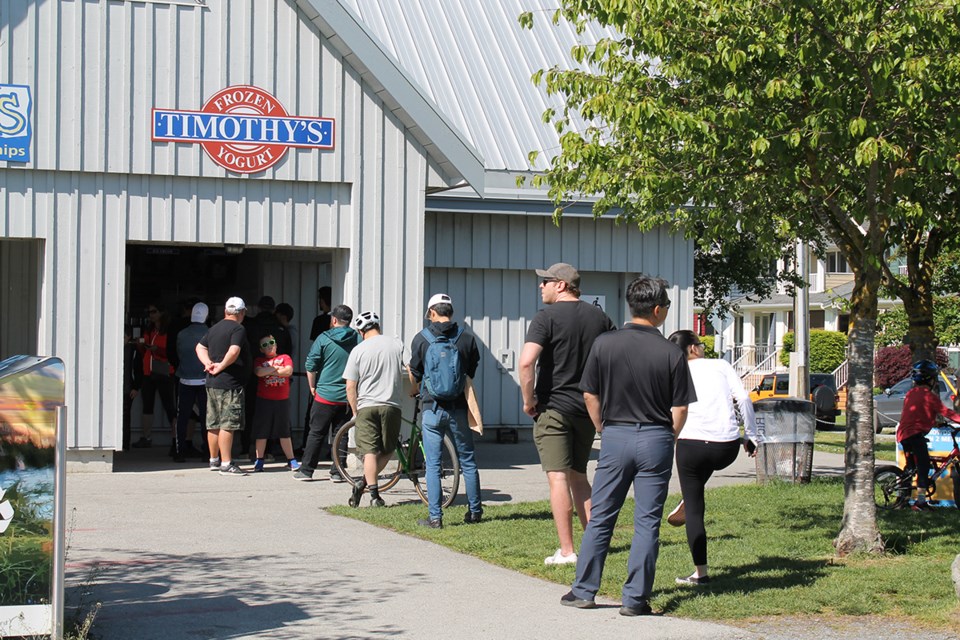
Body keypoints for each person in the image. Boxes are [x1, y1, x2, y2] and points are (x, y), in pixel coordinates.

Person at [561, 275, 695, 617]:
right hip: (656, 437)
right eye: (665, 306)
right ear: (656, 309)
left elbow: (590, 393)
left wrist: (602, 426)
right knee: (647, 521)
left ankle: (583, 590)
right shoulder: (671, 352)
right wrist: (670, 435)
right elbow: (679, 408)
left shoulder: (605, 344)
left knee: (602, 514)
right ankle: (635, 598)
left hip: (615, 435)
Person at [518, 263, 616, 564]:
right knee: (579, 476)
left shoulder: (545, 318)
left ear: (561, 285)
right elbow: (613, 360)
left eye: (545, 281)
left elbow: (526, 363)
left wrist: (528, 399)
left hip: (554, 408)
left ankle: (567, 551)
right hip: (587, 410)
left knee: (558, 477)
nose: (541, 286)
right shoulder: (600, 318)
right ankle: (594, 545)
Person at [666, 329, 759, 585]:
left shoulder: (673, 370)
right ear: (693, 348)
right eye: (700, 343)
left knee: (695, 510)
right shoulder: (721, 365)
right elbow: (743, 398)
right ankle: (689, 496)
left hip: (690, 445)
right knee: (702, 473)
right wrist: (750, 436)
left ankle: (700, 574)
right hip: (725, 447)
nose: (703, 347)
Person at [408, 293, 483, 528]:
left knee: (433, 463)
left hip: (432, 407)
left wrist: (416, 390)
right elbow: (470, 371)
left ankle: (435, 517)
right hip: (459, 407)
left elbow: (415, 373)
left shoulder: (421, 339)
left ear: (431, 313)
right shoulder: (467, 339)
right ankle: (474, 512)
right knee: (468, 460)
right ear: (451, 311)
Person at [343, 311, 406, 508]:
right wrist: (414, 389)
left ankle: (373, 495)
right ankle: (366, 485)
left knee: (369, 451)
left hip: (367, 406)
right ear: (379, 327)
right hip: (391, 405)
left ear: (361, 331)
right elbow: (411, 370)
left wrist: (355, 412)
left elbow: (350, 386)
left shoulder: (358, 350)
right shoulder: (396, 344)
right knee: (388, 448)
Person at [293, 305, 360, 481]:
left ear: (334, 320)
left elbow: (311, 364)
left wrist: (312, 386)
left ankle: (307, 470)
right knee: (342, 434)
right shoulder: (357, 338)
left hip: (325, 394)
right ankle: (338, 472)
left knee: (316, 433)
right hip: (347, 396)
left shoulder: (323, 338)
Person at [196, 296, 252, 476]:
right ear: (242, 312)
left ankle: (214, 460)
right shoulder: (238, 328)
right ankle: (226, 463)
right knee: (227, 424)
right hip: (230, 383)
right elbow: (234, 350)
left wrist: (208, 363)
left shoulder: (214, 328)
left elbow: (199, 347)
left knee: (213, 423)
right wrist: (221, 365)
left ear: (226, 311)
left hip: (212, 382)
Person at [897, 359, 960, 511]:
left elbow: (917, 413)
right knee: (923, 466)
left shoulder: (911, 393)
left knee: (910, 468)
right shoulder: (930, 396)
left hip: (904, 434)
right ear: (931, 380)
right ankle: (920, 502)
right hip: (915, 434)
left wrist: (934, 423)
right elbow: (947, 412)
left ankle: (901, 499)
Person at [251, 333, 300, 472]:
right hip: (264, 400)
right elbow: (259, 372)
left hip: (282, 400)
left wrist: (270, 371)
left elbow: (288, 371)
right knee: (262, 431)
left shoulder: (285, 357)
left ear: (276, 344)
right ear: (261, 349)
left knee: (284, 431)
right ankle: (259, 460)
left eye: (271, 342)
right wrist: (277, 369)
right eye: (265, 345)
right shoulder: (259, 360)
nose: (269, 346)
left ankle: (291, 460)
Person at [134, 304, 177, 448]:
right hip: (149, 371)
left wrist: (158, 350)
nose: (151, 315)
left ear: (162, 313)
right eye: (149, 312)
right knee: (147, 405)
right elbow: (143, 353)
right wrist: (141, 345)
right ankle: (146, 437)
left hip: (164, 370)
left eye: (154, 311)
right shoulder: (150, 330)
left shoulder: (169, 330)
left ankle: (176, 437)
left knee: (169, 405)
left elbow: (172, 351)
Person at [173, 302, 210, 462]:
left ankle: (180, 451)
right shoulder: (210, 333)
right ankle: (208, 452)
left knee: (183, 417)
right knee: (206, 418)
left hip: (185, 379)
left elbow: (178, 354)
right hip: (204, 380)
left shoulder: (182, 334)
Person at [122, 324, 143, 451]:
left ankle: (125, 444)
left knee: (125, 417)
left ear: (129, 337)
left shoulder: (133, 350)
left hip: (128, 389)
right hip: (119, 388)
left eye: (123, 337)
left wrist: (136, 387)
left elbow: (138, 370)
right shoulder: (114, 349)